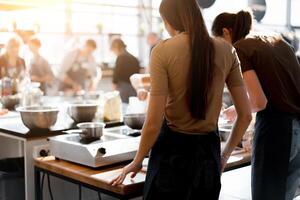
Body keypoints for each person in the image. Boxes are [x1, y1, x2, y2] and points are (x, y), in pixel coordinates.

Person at [110, 1, 252, 199]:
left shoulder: (162, 51)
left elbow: (152, 122)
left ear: (169, 21)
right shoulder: (228, 51)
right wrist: (223, 157)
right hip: (207, 157)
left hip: (171, 157)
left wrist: (138, 160)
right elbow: (245, 115)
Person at [212, 10, 300, 200]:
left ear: (226, 32)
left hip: (276, 135)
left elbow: (260, 102)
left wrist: (224, 155)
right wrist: (237, 109)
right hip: (296, 133)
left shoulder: (239, 49)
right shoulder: (274, 40)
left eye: (218, 41)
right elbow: (274, 93)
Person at [110, 38, 140, 103]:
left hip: (123, 88)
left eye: (113, 50)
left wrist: (113, 87)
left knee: (122, 108)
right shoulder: (134, 58)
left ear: (116, 47)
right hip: (134, 87)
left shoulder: (121, 57)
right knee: (132, 107)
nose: (114, 52)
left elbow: (116, 73)